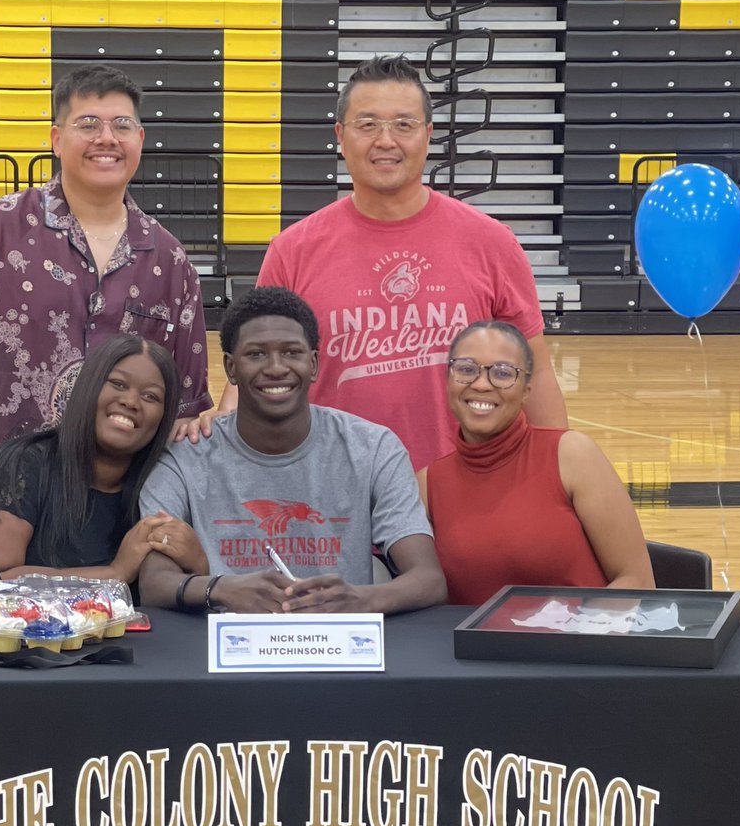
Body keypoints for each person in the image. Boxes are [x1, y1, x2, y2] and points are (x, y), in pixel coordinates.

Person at [189, 54, 565, 472]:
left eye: (403, 125)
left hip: (465, 490)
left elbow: (538, 373)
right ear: (341, 135)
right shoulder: (293, 250)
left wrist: (556, 475)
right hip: (333, 492)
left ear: (428, 135)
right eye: (367, 125)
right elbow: (255, 365)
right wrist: (225, 420)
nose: (386, 140)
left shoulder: (492, 242)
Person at [0, 63, 212, 541]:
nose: (106, 138)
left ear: (141, 138)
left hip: (116, 518)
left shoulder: (170, 260)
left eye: (122, 125)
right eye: (88, 124)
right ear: (56, 139)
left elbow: (185, 408)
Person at [138, 287, 446, 615]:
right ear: (230, 368)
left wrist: (360, 600)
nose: (275, 367)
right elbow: (154, 583)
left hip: (341, 652)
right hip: (223, 652)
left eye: (291, 353)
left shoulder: (373, 449)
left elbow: (428, 579)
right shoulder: (185, 458)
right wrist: (220, 588)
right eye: (256, 354)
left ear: (313, 364)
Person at [419, 321, 653, 605]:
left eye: (503, 373)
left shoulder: (572, 456)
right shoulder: (427, 485)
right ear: (448, 381)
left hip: (584, 643)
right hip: (474, 650)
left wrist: (574, 641)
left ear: (526, 390)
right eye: (466, 369)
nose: (481, 384)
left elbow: (636, 581)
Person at [0, 335, 207, 585]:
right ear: (87, 388)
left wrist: (198, 561)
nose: (130, 401)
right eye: (117, 384)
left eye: (150, 396)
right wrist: (115, 573)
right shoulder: (21, 466)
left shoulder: (163, 484)